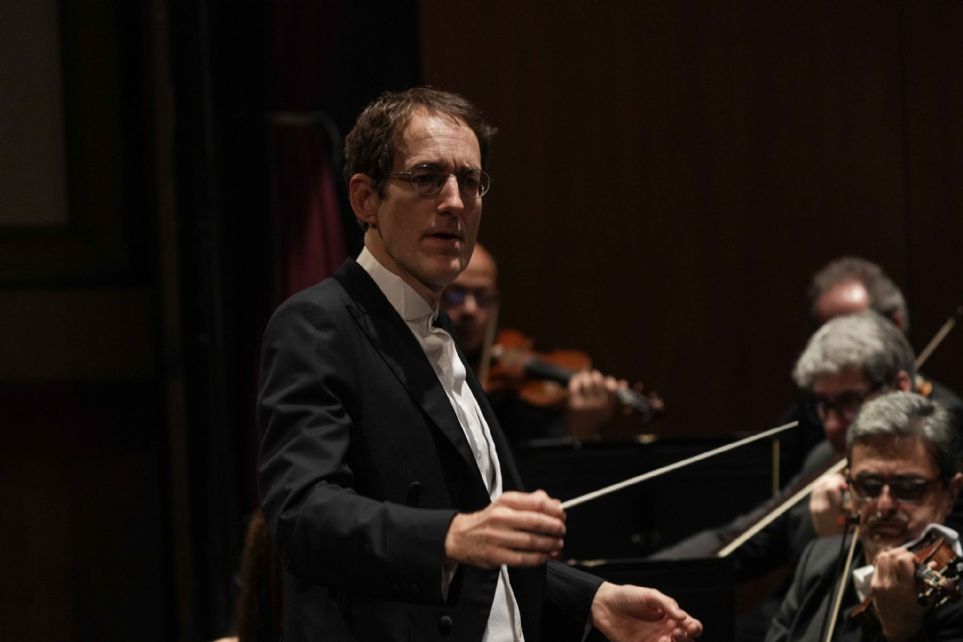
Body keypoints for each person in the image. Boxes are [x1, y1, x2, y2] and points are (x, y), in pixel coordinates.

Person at [257, 87, 701, 641]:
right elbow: (303, 514)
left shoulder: (443, 337)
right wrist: (452, 535)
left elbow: (481, 550)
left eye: (470, 181)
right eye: (426, 178)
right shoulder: (319, 323)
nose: (455, 201)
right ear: (365, 199)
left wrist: (593, 598)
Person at [651, 311, 920, 640]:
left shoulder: (934, 472)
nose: (833, 424)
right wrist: (630, 578)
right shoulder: (827, 457)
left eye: (850, 402)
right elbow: (742, 539)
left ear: (899, 388)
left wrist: (835, 541)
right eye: (824, 404)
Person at [765, 391, 963, 641]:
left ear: (950, 493)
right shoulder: (818, 560)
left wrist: (902, 633)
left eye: (908, 487)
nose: (884, 505)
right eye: (869, 485)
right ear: (849, 484)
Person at [441, 243, 628, 443]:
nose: (470, 309)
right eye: (455, 293)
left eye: (482, 296)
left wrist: (580, 430)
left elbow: (536, 466)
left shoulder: (514, 404)